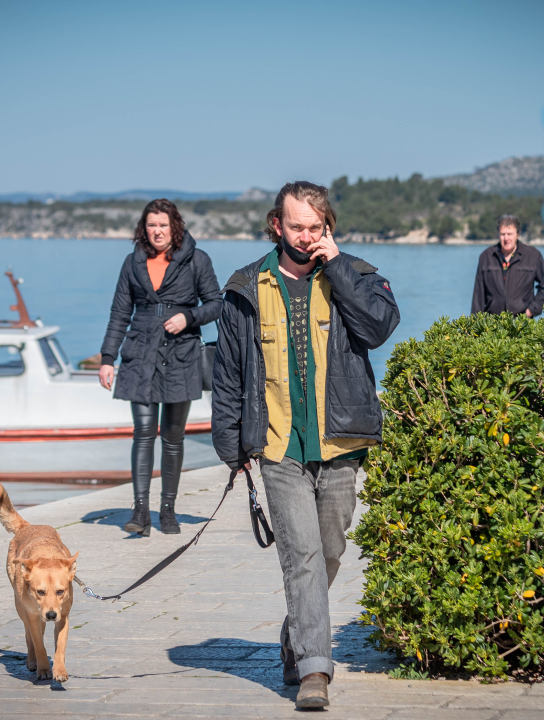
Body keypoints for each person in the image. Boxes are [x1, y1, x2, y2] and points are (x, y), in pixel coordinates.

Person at [211, 182, 400, 708]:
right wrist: (231, 447)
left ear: (329, 227)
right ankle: (315, 669)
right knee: (302, 557)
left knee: (330, 550)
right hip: (278, 449)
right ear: (277, 224)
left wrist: (337, 267)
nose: (307, 236)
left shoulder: (356, 273)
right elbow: (228, 373)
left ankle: (297, 635)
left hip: (341, 441)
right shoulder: (245, 287)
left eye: (316, 227)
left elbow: (380, 327)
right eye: (298, 227)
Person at [99, 199, 221, 536]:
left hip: (181, 355)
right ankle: (140, 512)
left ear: (175, 227)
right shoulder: (132, 262)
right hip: (139, 354)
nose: (157, 231)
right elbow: (119, 314)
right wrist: (108, 358)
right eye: (152, 225)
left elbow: (216, 304)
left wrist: (188, 317)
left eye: (163, 225)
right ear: (144, 228)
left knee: (172, 436)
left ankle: (168, 511)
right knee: (142, 433)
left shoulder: (197, 260)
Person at [470, 214, 544, 317]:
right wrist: (474, 326)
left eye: (510, 234)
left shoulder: (533, 256)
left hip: (522, 324)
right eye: (503, 234)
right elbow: (478, 295)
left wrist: (531, 310)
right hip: (492, 324)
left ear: (518, 234)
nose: (506, 238)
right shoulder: (486, 257)